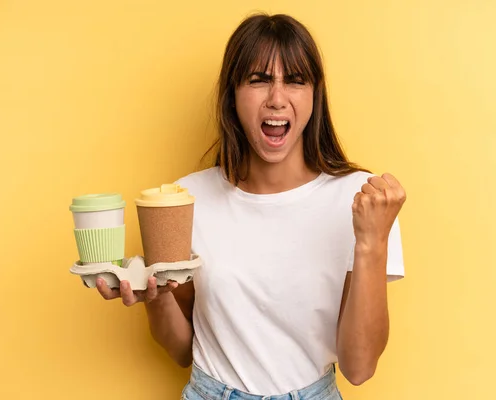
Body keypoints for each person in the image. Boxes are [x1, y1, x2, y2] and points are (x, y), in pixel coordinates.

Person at [96, 13, 406, 400]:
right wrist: (155, 298)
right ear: (232, 95)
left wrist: (371, 243)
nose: (277, 99)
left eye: (295, 80)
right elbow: (180, 350)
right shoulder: (185, 200)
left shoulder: (361, 199)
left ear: (314, 96)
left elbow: (359, 368)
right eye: (258, 80)